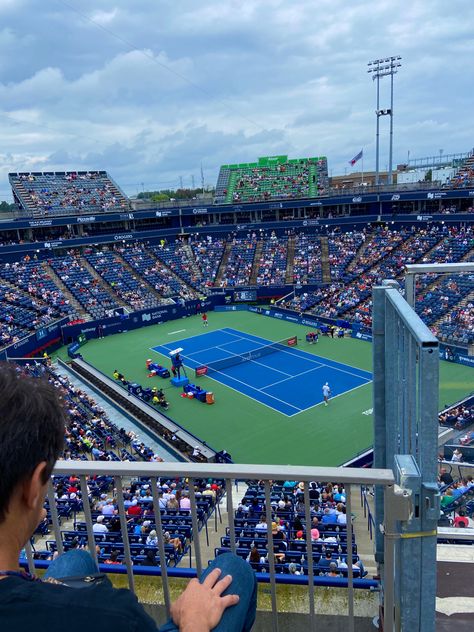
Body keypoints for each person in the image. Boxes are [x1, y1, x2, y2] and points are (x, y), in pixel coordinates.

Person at [0, 363, 257, 632]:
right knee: (233, 568)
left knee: (74, 560)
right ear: (31, 488)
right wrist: (194, 622)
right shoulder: (115, 615)